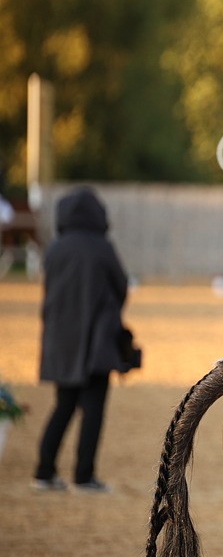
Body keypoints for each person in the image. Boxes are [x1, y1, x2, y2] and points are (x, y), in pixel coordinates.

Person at [33, 187, 130, 493]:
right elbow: (121, 285)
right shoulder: (102, 247)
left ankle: (44, 471)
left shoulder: (55, 248)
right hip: (96, 342)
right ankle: (83, 476)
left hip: (62, 341)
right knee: (93, 410)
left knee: (63, 405)